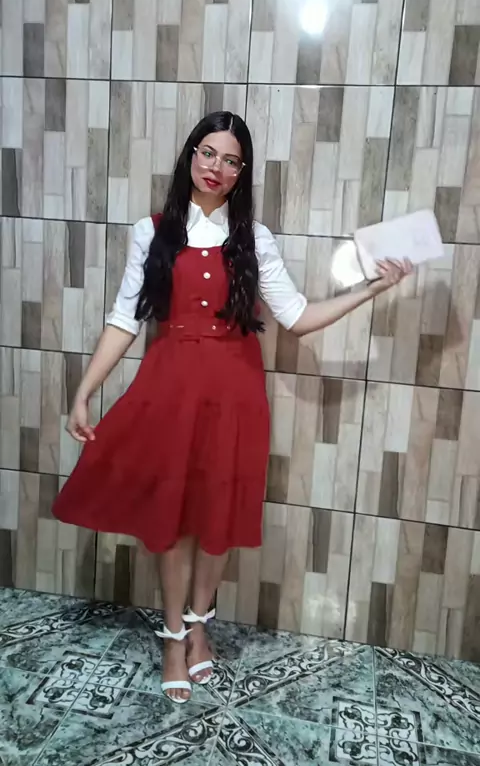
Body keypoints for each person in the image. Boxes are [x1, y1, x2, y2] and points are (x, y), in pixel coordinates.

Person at [52, 111, 411, 705]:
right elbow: (124, 319)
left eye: (232, 160)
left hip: (235, 396)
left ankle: (199, 630)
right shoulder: (152, 231)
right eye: (208, 153)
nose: (216, 167)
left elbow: (298, 317)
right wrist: (85, 391)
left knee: (216, 519)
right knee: (173, 520)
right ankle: (173, 638)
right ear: (191, 155)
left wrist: (372, 287)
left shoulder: (254, 239)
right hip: (169, 391)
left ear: (242, 173)